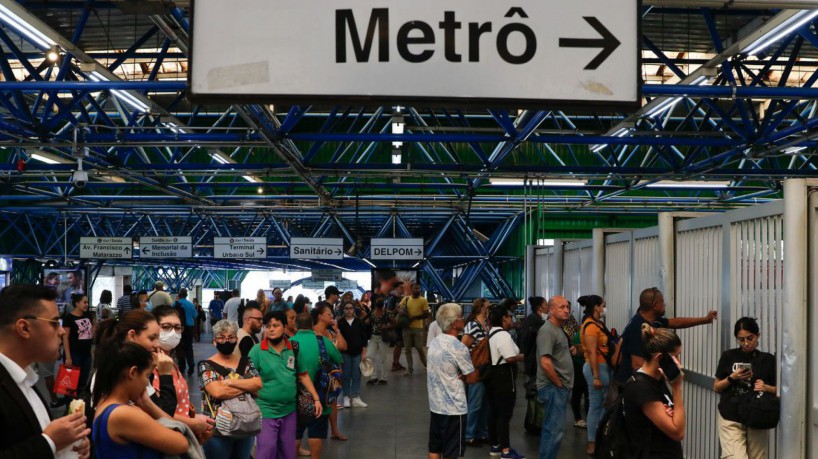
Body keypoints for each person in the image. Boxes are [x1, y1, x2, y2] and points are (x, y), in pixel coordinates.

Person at [0, 284, 91, 459]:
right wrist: (50, 441)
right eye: (54, 323)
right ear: (24, 328)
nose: (61, 331)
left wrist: (66, 444)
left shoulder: (26, 379)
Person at [92, 342, 189, 459]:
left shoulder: (105, 402)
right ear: (133, 373)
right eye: (147, 376)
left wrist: (147, 404)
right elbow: (182, 443)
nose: (146, 383)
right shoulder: (123, 413)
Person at [615, 287, 716, 386]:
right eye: (662, 302)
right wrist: (667, 375)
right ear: (655, 305)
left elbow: (677, 322)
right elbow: (637, 364)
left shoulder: (653, 321)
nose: (664, 304)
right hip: (632, 385)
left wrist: (706, 319)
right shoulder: (637, 327)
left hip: (644, 382)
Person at [94, 309, 179, 419]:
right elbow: (164, 415)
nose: (157, 344)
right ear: (132, 335)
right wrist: (165, 374)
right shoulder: (122, 371)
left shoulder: (134, 367)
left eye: (157, 338)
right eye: (152, 338)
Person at [713, 317, 776, 459]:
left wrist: (766, 387)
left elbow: (780, 391)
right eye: (741, 340)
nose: (746, 343)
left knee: (757, 456)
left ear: (758, 335)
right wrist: (732, 378)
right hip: (731, 414)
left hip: (757, 415)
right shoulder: (728, 356)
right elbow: (716, 387)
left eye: (750, 338)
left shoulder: (768, 360)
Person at [199, 319, 262, 459]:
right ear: (214, 341)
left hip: (246, 426)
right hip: (217, 430)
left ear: (236, 339)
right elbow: (217, 392)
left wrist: (228, 383)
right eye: (222, 337)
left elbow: (258, 385)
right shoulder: (205, 365)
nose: (226, 341)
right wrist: (246, 385)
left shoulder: (246, 361)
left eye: (231, 337)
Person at [622, 324, 686, 459]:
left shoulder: (657, 379)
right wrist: (677, 388)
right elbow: (678, 432)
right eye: (676, 356)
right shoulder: (640, 387)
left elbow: (674, 419)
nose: (679, 362)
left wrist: (671, 413)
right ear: (660, 358)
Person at [152, 305, 214, 440]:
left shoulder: (170, 362)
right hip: (167, 438)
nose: (173, 332)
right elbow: (156, 411)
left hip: (182, 433)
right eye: (166, 327)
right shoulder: (150, 367)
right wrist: (194, 424)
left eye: (177, 327)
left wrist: (192, 418)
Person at [426, 303, 477, 459]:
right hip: (454, 409)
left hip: (436, 405)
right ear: (455, 323)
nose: (463, 321)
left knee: (435, 449)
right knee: (451, 452)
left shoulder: (435, 342)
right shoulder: (458, 347)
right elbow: (472, 378)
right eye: (461, 318)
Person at [291, 312, 341, 459]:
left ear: (296, 326)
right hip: (320, 393)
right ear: (312, 325)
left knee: (295, 433)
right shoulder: (322, 341)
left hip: (296, 396)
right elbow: (338, 359)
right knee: (316, 433)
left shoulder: (290, 342)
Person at [484, 304, 526, 459]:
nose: (511, 319)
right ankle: (506, 450)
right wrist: (522, 357)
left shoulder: (491, 333)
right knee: (504, 414)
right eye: (510, 316)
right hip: (503, 377)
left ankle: (495, 445)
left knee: (493, 411)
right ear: (504, 318)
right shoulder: (503, 335)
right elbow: (509, 357)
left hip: (491, 376)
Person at [537, 295, 574, 459]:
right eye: (562, 307)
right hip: (553, 387)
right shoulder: (548, 330)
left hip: (559, 387)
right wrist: (559, 384)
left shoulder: (558, 329)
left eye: (567, 307)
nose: (566, 310)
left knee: (554, 430)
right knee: (553, 431)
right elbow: (545, 362)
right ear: (551, 310)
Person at [578, 295, 616, 456]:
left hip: (603, 367)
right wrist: (596, 376)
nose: (605, 308)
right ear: (596, 308)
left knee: (602, 405)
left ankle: (599, 438)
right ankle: (592, 442)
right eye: (603, 305)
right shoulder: (591, 326)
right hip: (596, 368)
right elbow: (592, 352)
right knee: (595, 406)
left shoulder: (597, 324)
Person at [310, 302, 348, 441]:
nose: (332, 316)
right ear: (320, 316)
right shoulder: (312, 332)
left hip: (332, 373)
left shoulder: (331, 333)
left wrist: (337, 330)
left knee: (332, 400)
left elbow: (343, 346)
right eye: (328, 314)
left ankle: (334, 430)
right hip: (317, 372)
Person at [461, 297, 490, 446]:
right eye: (488, 307)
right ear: (482, 309)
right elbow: (462, 347)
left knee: (484, 404)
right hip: (476, 369)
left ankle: (481, 432)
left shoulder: (487, 326)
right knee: (475, 403)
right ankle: (469, 435)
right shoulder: (473, 325)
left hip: (485, 369)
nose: (489, 309)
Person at [59, 293, 95, 404]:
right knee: (70, 383)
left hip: (86, 354)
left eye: (87, 302)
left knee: (83, 381)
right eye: (84, 302)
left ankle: (79, 404)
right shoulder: (69, 318)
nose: (86, 305)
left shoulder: (88, 315)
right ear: (77, 303)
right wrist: (68, 357)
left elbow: (92, 332)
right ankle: (69, 406)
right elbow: (65, 338)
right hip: (74, 353)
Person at [337, 301, 369, 408]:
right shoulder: (340, 323)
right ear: (343, 310)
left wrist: (364, 353)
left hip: (357, 353)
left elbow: (364, 339)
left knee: (357, 374)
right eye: (346, 308)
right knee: (345, 375)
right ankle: (346, 396)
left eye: (351, 308)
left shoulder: (359, 322)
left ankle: (356, 397)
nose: (349, 310)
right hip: (345, 353)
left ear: (354, 310)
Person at [400, 282, 429, 375]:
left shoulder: (423, 300)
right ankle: (410, 370)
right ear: (411, 290)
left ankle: (426, 365)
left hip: (417, 328)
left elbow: (426, 314)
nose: (418, 290)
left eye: (418, 288)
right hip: (406, 328)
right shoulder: (406, 299)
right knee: (407, 349)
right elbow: (399, 308)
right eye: (416, 288)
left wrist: (414, 317)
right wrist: (403, 313)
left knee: (419, 348)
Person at [366, 296, 394, 385]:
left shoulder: (387, 313)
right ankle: (373, 377)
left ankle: (384, 378)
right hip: (373, 337)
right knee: (369, 356)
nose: (379, 303)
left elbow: (395, 323)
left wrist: (386, 326)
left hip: (383, 337)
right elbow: (369, 321)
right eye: (378, 301)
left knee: (383, 358)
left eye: (380, 301)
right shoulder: (372, 312)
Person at [520, 296, 547, 388]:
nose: (547, 307)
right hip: (533, 359)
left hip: (530, 358)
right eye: (546, 305)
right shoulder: (536, 321)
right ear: (539, 308)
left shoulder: (532, 318)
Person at [173, 288, 197, 376]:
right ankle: (191, 364)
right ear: (186, 295)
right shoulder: (191, 304)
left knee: (179, 347)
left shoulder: (175, 304)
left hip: (179, 328)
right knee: (189, 347)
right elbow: (195, 315)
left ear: (179, 295)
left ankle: (182, 366)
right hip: (189, 328)